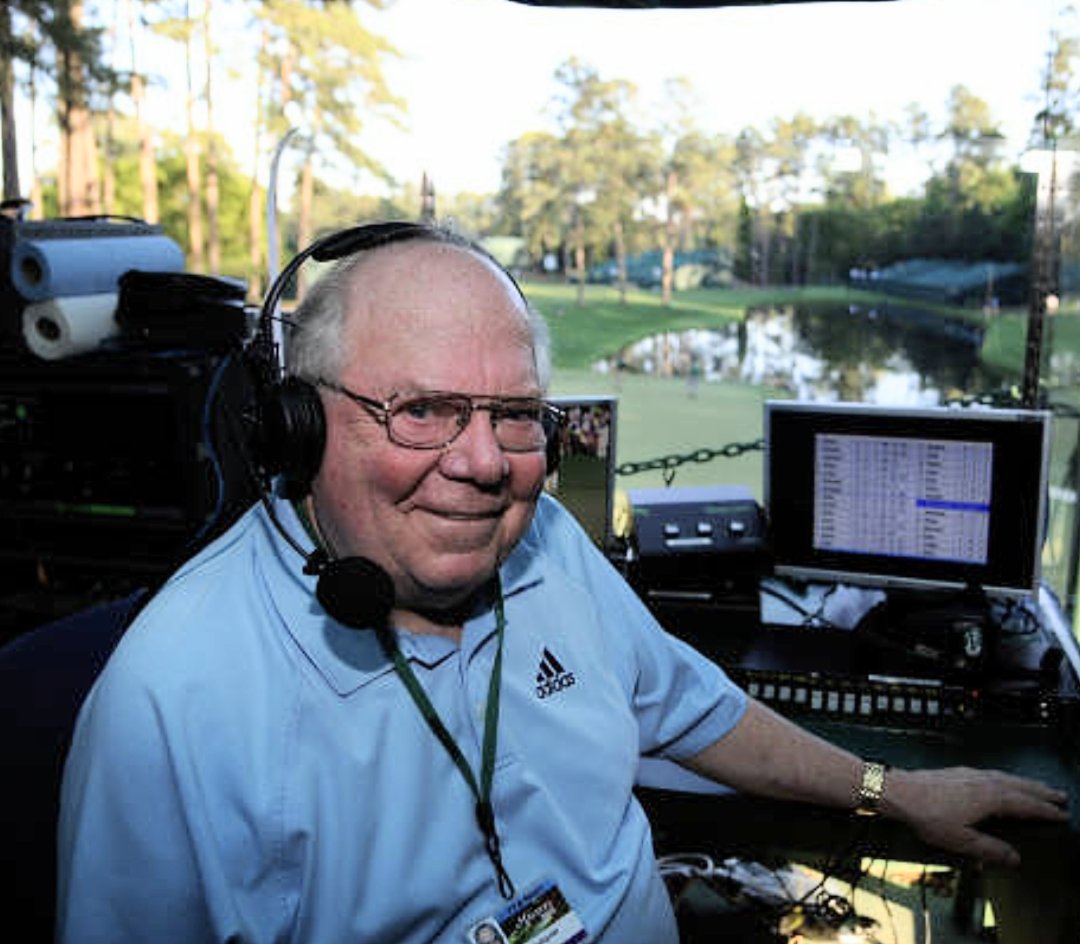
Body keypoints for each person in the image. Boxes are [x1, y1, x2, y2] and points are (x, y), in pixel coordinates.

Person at [57, 221, 1069, 944]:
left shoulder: (542, 539)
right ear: (296, 426)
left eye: (514, 413)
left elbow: (690, 704)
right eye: (421, 409)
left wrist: (895, 789)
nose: (485, 462)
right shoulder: (173, 694)